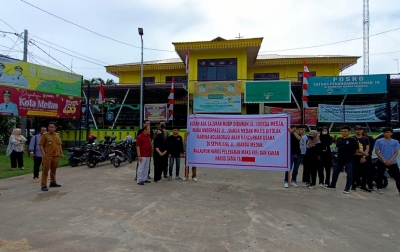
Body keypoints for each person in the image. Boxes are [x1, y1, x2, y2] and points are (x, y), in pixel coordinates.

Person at [324, 125, 360, 194]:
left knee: (349, 174)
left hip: (349, 159)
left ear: (349, 131)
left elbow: (357, 150)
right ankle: (332, 185)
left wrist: (350, 155)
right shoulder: (339, 139)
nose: (343, 133)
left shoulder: (353, 140)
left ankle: (347, 188)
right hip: (339, 159)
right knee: (335, 172)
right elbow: (338, 148)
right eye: (342, 131)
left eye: (345, 131)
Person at [374, 127, 400, 195]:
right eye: (385, 132)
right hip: (382, 161)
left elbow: (396, 152)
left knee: (397, 177)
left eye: (388, 132)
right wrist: (383, 159)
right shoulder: (379, 141)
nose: (386, 133)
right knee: (379, 175)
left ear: (391, 133)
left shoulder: (395, 142)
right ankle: (379, 188)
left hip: (393, 162)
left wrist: (391, 160)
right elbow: (377, 151)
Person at [39, 122, 64, 191]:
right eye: (49, 127)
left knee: (53, 170)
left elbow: (59, 145)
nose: (51, 128)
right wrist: (44, 154)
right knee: (45, 171)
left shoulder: (57, 135)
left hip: (55, 155)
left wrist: (61, 153)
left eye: (52, 127)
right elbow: (41, 145)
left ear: (55, 128)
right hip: (48, 156)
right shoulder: (45, 135)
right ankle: (43, 185)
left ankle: (53, 182)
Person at [352, 125, 371, 192]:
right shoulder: (352, 138)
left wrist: (364, 156)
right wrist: (363, 153)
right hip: (355, 156)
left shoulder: (366, 138)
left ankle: (363, 186)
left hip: (363, 157)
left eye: (360, 129)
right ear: (355, 130)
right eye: (357, 129)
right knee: (354, 172)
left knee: (365, 172)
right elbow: (354, 149)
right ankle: (353, 185)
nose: (359, 131)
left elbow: (367, 148)